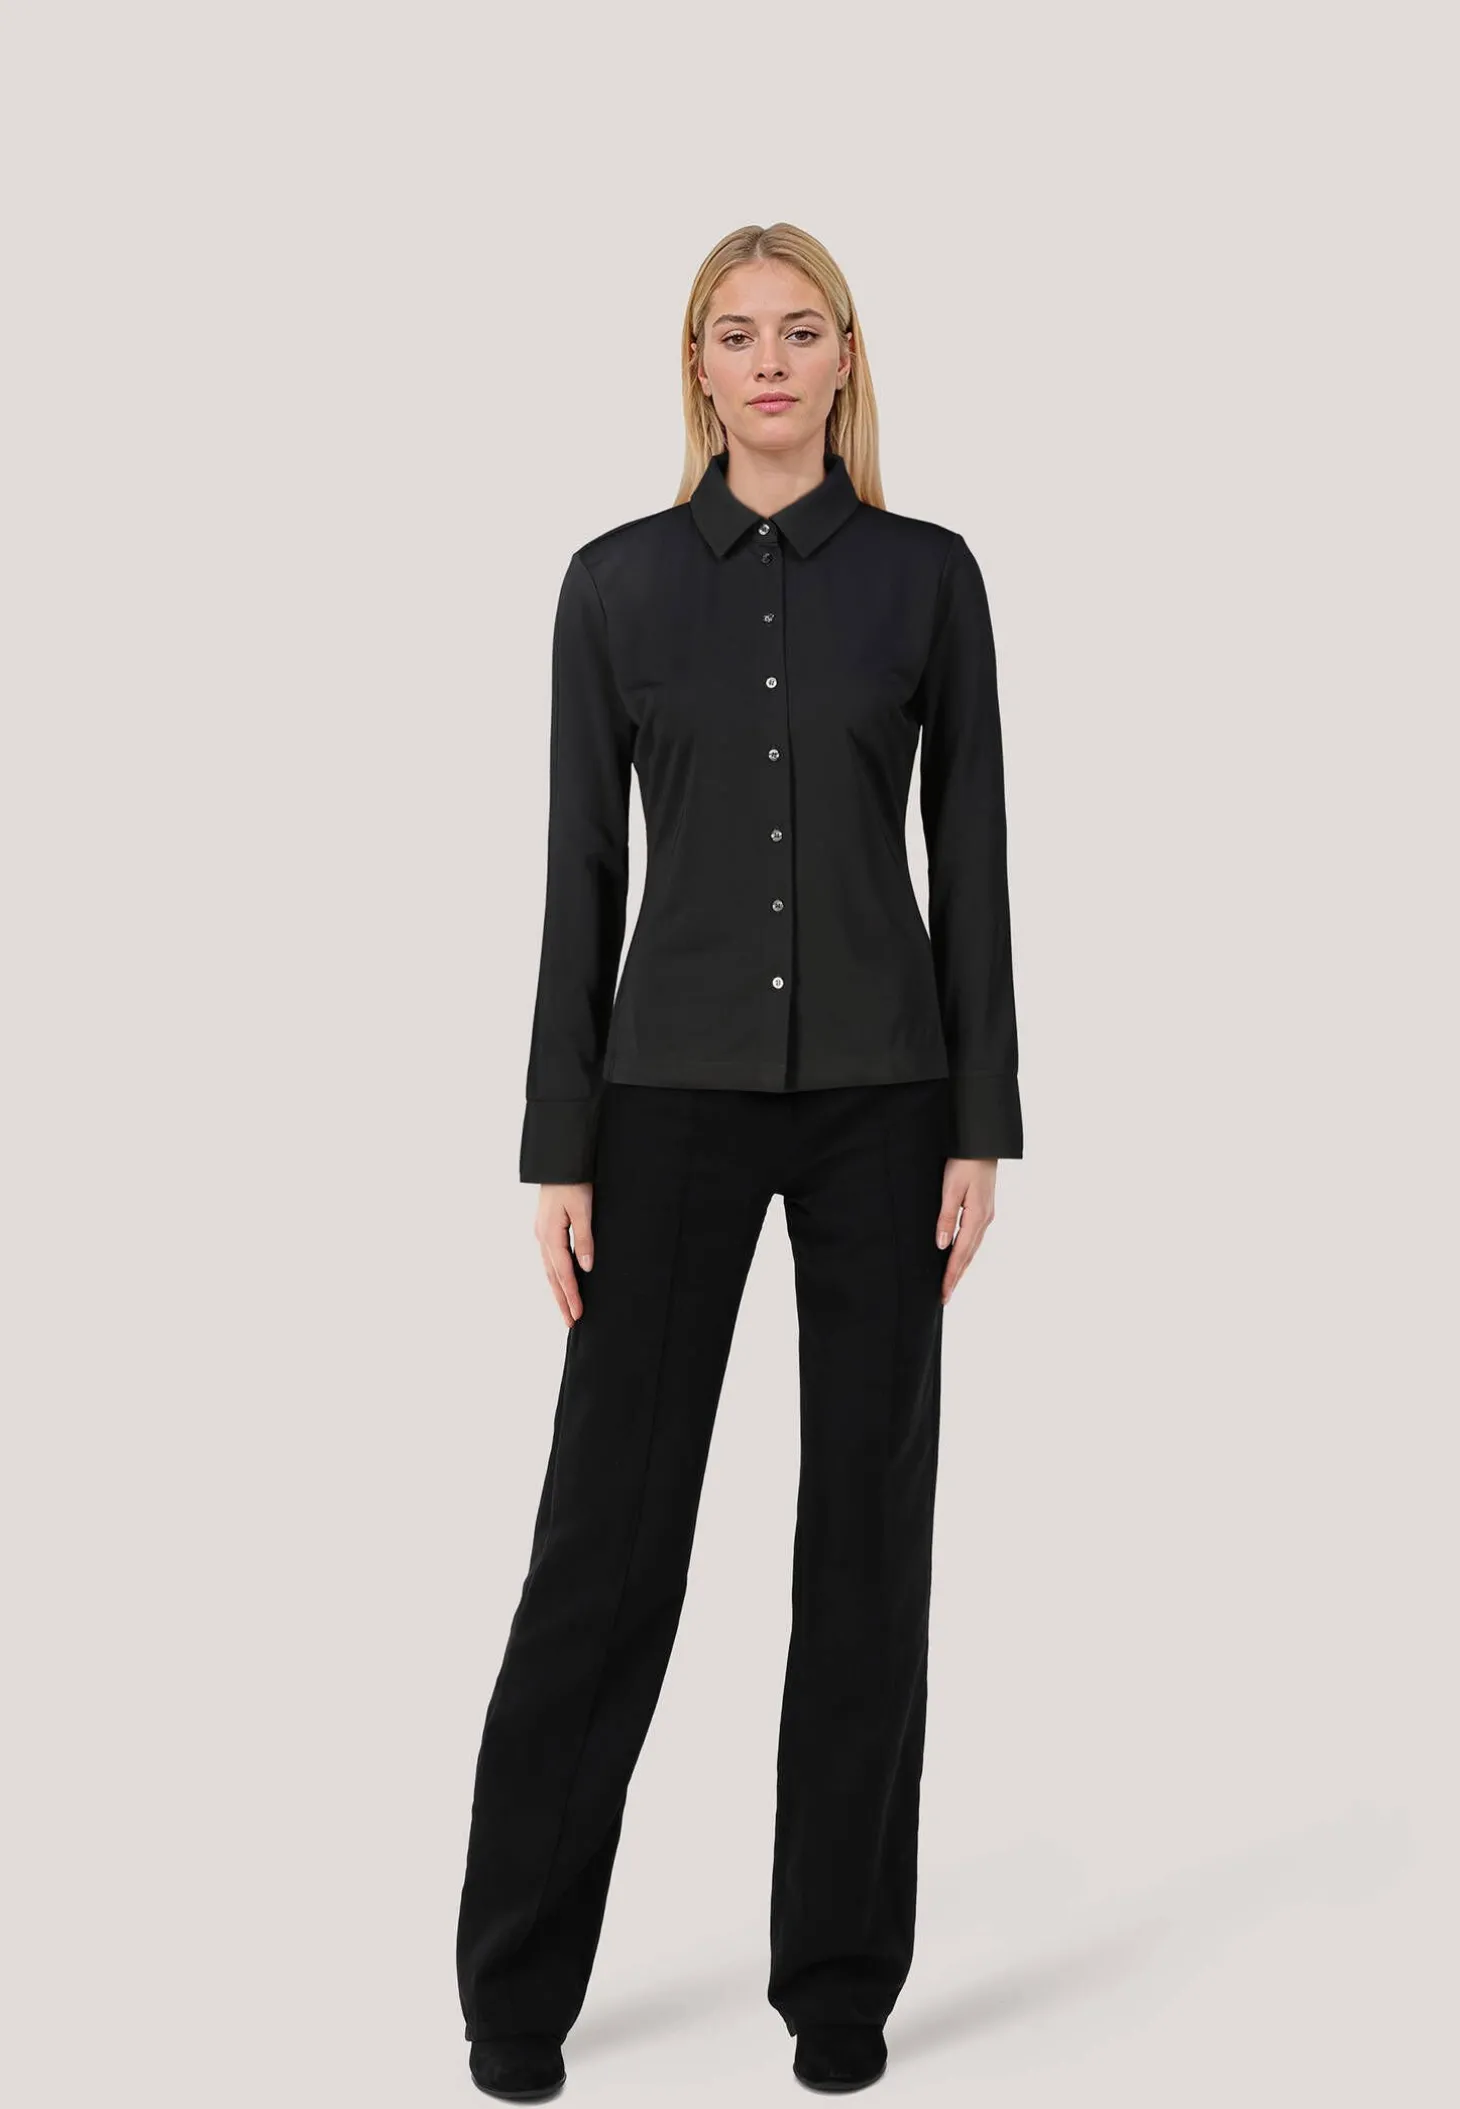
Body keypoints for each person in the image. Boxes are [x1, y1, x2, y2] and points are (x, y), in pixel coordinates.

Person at [456, 220, 1023, 2101]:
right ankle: (515, 1989)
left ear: (846, 359)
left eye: (799, 330)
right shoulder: (612, 588)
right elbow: (577, 875)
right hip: (666, 1106)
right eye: (733, 333)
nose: (768, 361)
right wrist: (561, 1143)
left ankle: (840, 1984)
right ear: (696, 368)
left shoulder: (929, 582)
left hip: (885, 1107)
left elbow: (973, 861)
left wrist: (980, 1119)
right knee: (606, 1542)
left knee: (866, 1537)